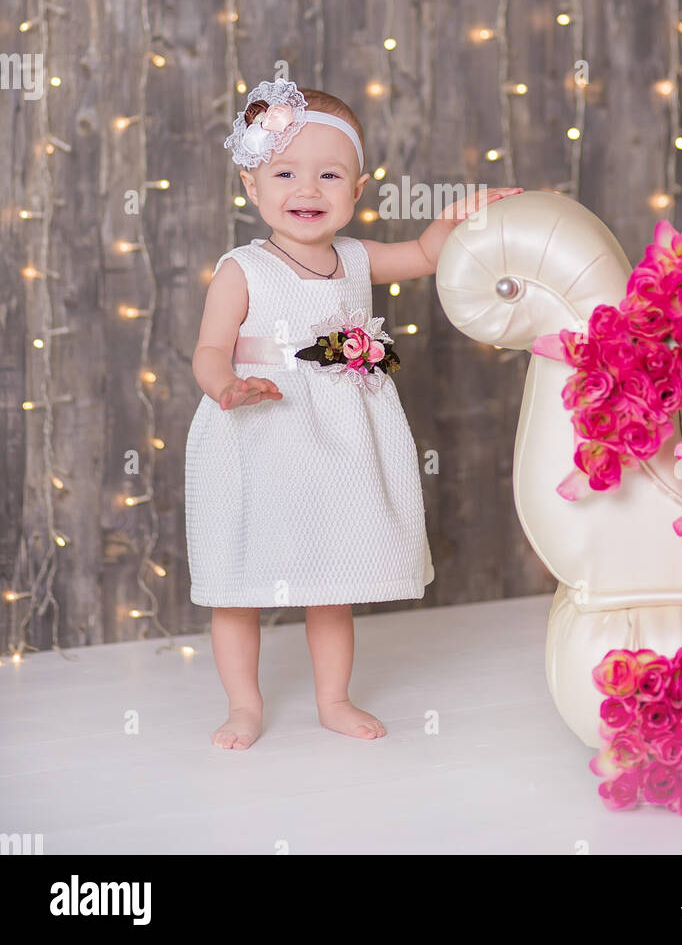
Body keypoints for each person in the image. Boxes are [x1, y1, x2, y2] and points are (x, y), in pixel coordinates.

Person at [185, 77, 522, 749]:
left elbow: (427, 256)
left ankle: (333, 699)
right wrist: (226, 385)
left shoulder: (358, 259)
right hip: (257, 432)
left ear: (357, 189)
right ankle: (244, 705)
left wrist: (454, 221)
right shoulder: (243, 268)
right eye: (285, 172)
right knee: (239, 580)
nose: (307, 190)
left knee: (329, 579)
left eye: (329, 174)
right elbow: (209, 349)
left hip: (337, 437)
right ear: (252, 185)